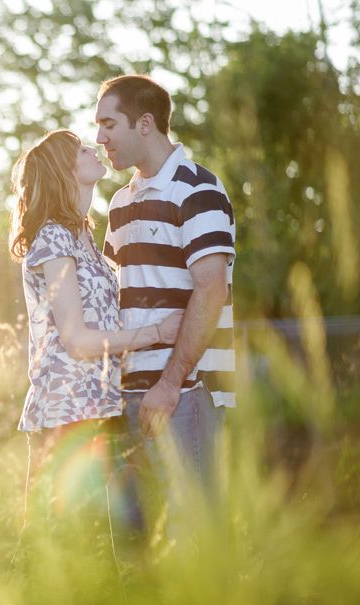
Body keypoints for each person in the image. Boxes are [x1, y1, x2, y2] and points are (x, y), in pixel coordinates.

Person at [9, 129, 183, 523]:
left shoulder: (83, 235)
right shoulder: (53, 237)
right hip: (66, 415)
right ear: (64, 169)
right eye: (82, 149)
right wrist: (156, 333)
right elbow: (77, 340)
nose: (95, 149)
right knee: (62, 552)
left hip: (101, 405)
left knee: (112, 541)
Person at [95, 74, 236, 514]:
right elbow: (115, 297)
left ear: (144, 123)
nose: (99, 138)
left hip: (186, 394)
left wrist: (170, 384)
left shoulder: (198, 190)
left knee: (193, 542)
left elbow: (211, 291)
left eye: (108, 124)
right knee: (143, 551)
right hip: (130, 395)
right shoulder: (119, 204)